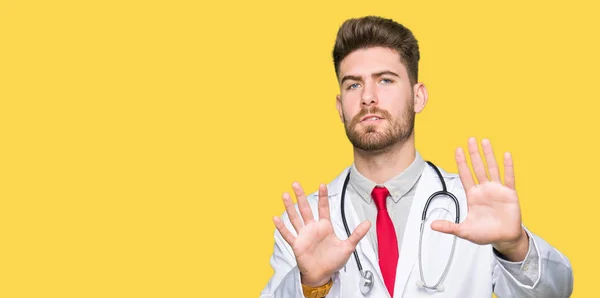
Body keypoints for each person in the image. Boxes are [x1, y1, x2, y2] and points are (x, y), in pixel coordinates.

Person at [260, 16, 574, 298]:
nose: (368, 97)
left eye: (385, 80)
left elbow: (555, 293)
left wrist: (515, 245)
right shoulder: (304, 223)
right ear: (341, 108)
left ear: (418, 97)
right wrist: (312, 284)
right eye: (354, 84)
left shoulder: (472, 206)